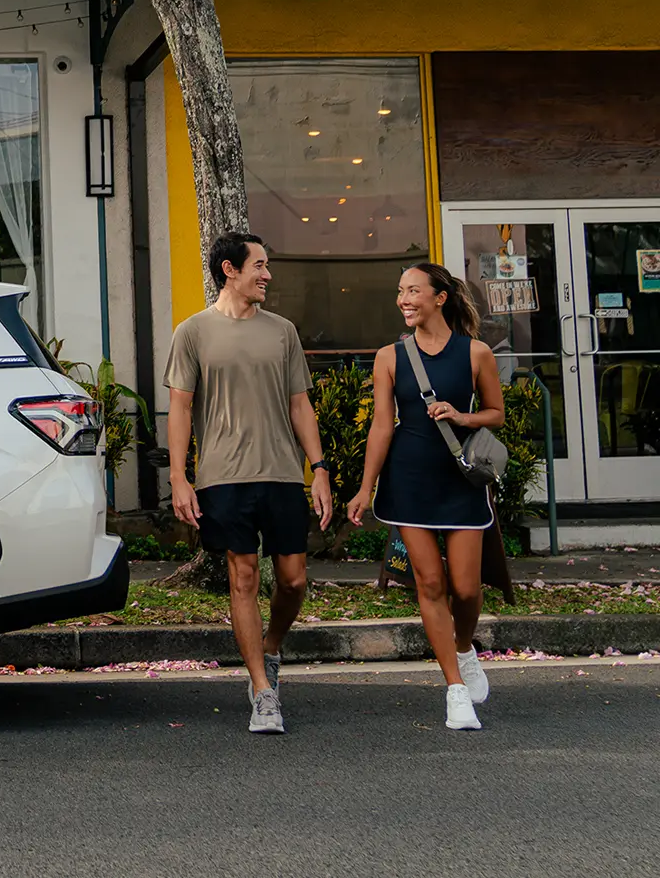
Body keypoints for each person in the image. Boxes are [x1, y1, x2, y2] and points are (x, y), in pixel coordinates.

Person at [167, 232, 334, 735]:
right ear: (229, 270)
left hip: (282, 473)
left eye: (267, 265)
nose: (267, 274)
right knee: (242, 577)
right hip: (222, 477)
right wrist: (179, 476)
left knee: (294, 580)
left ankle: (272, 648)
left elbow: (300, 404)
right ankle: (262, 691)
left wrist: (319, 467)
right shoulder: (192, 332)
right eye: (259, 265)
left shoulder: (282, 331)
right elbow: (180, 406)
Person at [344, 264, 503, 731]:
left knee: (468, 589)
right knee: (430, 584)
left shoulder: (476, 354)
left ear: (440, 297)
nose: (404, 299)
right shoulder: (389, 356)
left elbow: (495, 414)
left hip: (459, 483)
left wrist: (461, 416)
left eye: (413, 291)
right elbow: (380, 425)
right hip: (408, 482)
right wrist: (365, 486)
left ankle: (464, 647)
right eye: (400, 292)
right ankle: (455, 690)